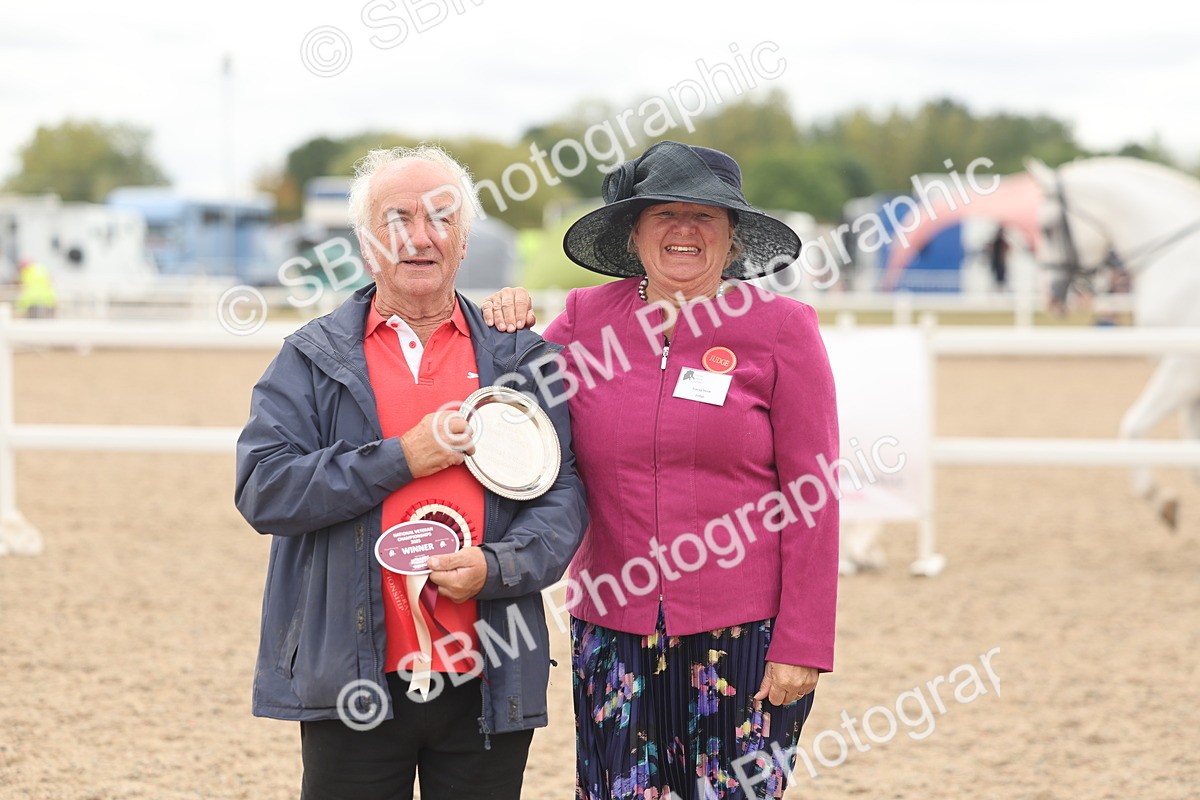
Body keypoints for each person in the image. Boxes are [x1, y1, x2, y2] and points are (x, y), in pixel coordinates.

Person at [483, 141, 840, 799]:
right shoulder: (584, 321)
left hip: (745, 638)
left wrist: (804, 643)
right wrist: (502, 327)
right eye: (664, 215)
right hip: (611, 630)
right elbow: (506, 417)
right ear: (634, 232)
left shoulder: (783, 327)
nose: (685, 229)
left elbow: (813, 495)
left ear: (732, 238)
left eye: (705, 215)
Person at [234, 145, 588, 800]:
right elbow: (265, 488)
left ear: (463, 240)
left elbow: (562, 496)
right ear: (367, 244)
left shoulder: (519, 358)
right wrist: (402, 458)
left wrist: (498, 567)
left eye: (442, 218)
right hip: (352, 680)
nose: (420, 237)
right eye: (398, 219)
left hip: (489, 674)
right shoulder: (309, 360)